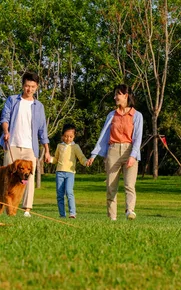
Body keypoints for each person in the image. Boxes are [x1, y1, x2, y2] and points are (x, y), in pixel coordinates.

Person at [87, 84, 143, 221]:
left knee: (129, 185)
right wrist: (94, 155)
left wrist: (133, 155)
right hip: (113, 151)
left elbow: (138, 137)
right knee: (111, 186)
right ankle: (112, 217)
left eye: (117, 94)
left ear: (125, 95)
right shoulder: (112, 115)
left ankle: (130, 210)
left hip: (129, 150)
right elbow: (104, 136)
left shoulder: (137, 115)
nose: (115, 97)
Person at [0, 72, 50, 217]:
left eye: (33, 87)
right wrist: (6, 131)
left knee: (29, 178)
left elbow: (42, 131)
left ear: (37, 87)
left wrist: (46, 151)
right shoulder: (13, 100)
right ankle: (7, 206)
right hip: (13, 144)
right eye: (27, 86)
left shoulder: (39, 106)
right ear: (23, 85)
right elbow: (4, 117)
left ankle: (26, 209)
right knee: (8, 176)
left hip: (30, 147)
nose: (29, 89)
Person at [48, 123, 88, 219]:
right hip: (59, 173)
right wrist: (49, 159)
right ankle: (62, 214)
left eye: (70, 137)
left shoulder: (75, 147)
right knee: (60, 194)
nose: (68, 139)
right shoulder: (59, 146)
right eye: (65, 136)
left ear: (74, 137)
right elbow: (55, 159)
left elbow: (81, 157)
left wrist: (86, 162)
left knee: (69, 192)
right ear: (62, 136)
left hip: (70, 173)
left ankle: (72, 213)